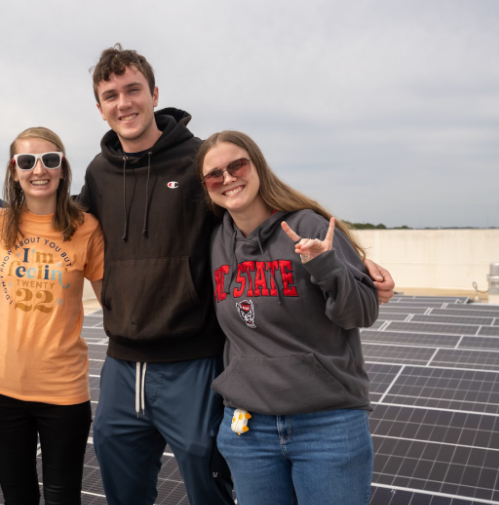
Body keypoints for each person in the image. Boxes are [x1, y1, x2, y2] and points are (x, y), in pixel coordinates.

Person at [77, 45, 396, 505]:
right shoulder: (98, 171)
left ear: (154, 94)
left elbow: (264, 213)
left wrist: (352, 263)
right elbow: (76, 235)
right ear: (100, 107)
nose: (123, 103)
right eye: (111, 95)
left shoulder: (198, 160)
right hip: (126, 361)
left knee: (209, 486)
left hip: (198, 360)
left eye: (133, 90)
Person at [196, 130, 377, 504]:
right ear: (206, 187)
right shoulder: (214, 241)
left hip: (326, 424)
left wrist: (326, 266)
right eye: (215, 174)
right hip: (248, 430)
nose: (228, 178)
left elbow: (361, 312)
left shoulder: (308, 226)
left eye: (237, 165)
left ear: (257, 167)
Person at [0, 127, 104, 505]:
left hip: (64, 391)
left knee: (62, 496)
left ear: (63, 167)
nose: (39, 169)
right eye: (27, 161)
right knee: (17, 496)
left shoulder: (86, 228)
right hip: (3, 388)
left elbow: (113, 303)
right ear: (13, 170)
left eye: (50, 160)